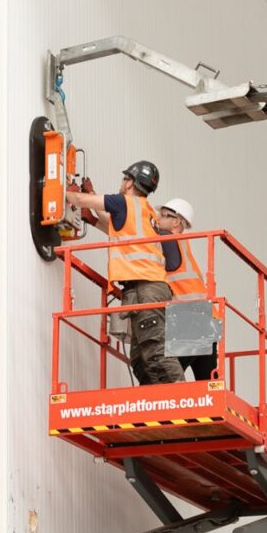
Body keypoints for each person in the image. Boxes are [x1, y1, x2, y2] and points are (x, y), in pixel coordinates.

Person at [65, 161, 185, 385]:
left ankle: (186, 400)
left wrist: (62, 190)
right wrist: (91, 198)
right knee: (140, 360)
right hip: (144, 289)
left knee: (155, 351)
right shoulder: (146, 212)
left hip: (146, 289)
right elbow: (114, 225)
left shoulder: (124, 202)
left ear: (130, 182)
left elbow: (79, 201)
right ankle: (159, 402)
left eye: (124, 179)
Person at [156, 198, 218, 381]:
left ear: (176, 222)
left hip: (191, 318)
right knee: (207, 383)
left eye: (164, 215)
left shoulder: (168, 238)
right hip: (206, 319)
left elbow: (138, 237)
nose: (159, 218)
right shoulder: (182, 245)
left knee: (166, 378)